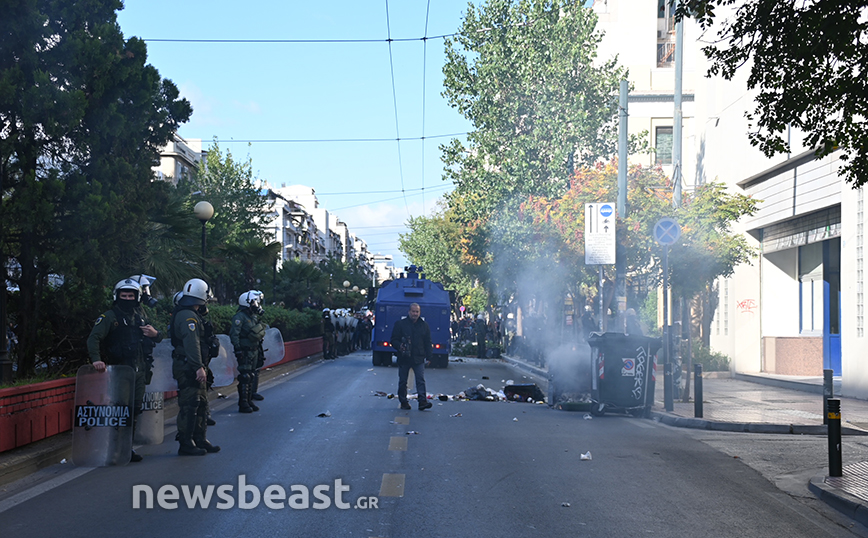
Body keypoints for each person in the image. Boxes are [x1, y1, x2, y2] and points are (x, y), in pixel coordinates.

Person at [86, 277, 162, 463]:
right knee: (120, 410)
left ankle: (127, 448)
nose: (127, 298)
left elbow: (156, 337)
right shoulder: (110, 317)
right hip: (120, 371)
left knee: (135, 409)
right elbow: (93, 339)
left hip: (139, 370)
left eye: (130, 295)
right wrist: (96, 360)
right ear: (117, 296)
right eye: (124, 295)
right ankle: (114, 448)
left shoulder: (140, 316)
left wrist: (156, 334)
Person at [169, 278, 220, 456]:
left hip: (194, 364)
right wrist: (198, 367)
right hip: (188, 366)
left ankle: (199, 439)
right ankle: (185, 442)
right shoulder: (188, 316)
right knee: (190, 404)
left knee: (201, 404)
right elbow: (192, 344)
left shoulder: (193, 313)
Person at [389, 303, 433, 411]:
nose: (415, 314)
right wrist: (400, 346)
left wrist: (429, 356)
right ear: (409, 312)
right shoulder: (400, 324)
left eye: (417, 312)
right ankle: (403, 401)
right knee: (403, 381)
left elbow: (428, 342)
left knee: (420, 380)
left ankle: (422, 401)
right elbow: (393, 339)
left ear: (420, 313)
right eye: (413, 311)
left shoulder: (424, 325)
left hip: (418, 357)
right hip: (404, 358)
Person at [231, 290, 267, 413]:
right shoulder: (239, 317)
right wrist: (238, 349)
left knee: (252, 375)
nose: (256, 305)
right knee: (245, 376)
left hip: (254, 350)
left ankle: (249, 399)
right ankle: (243, 403)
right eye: (254, 302)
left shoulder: (252, 316)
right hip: (245, 351)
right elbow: (234, 334)